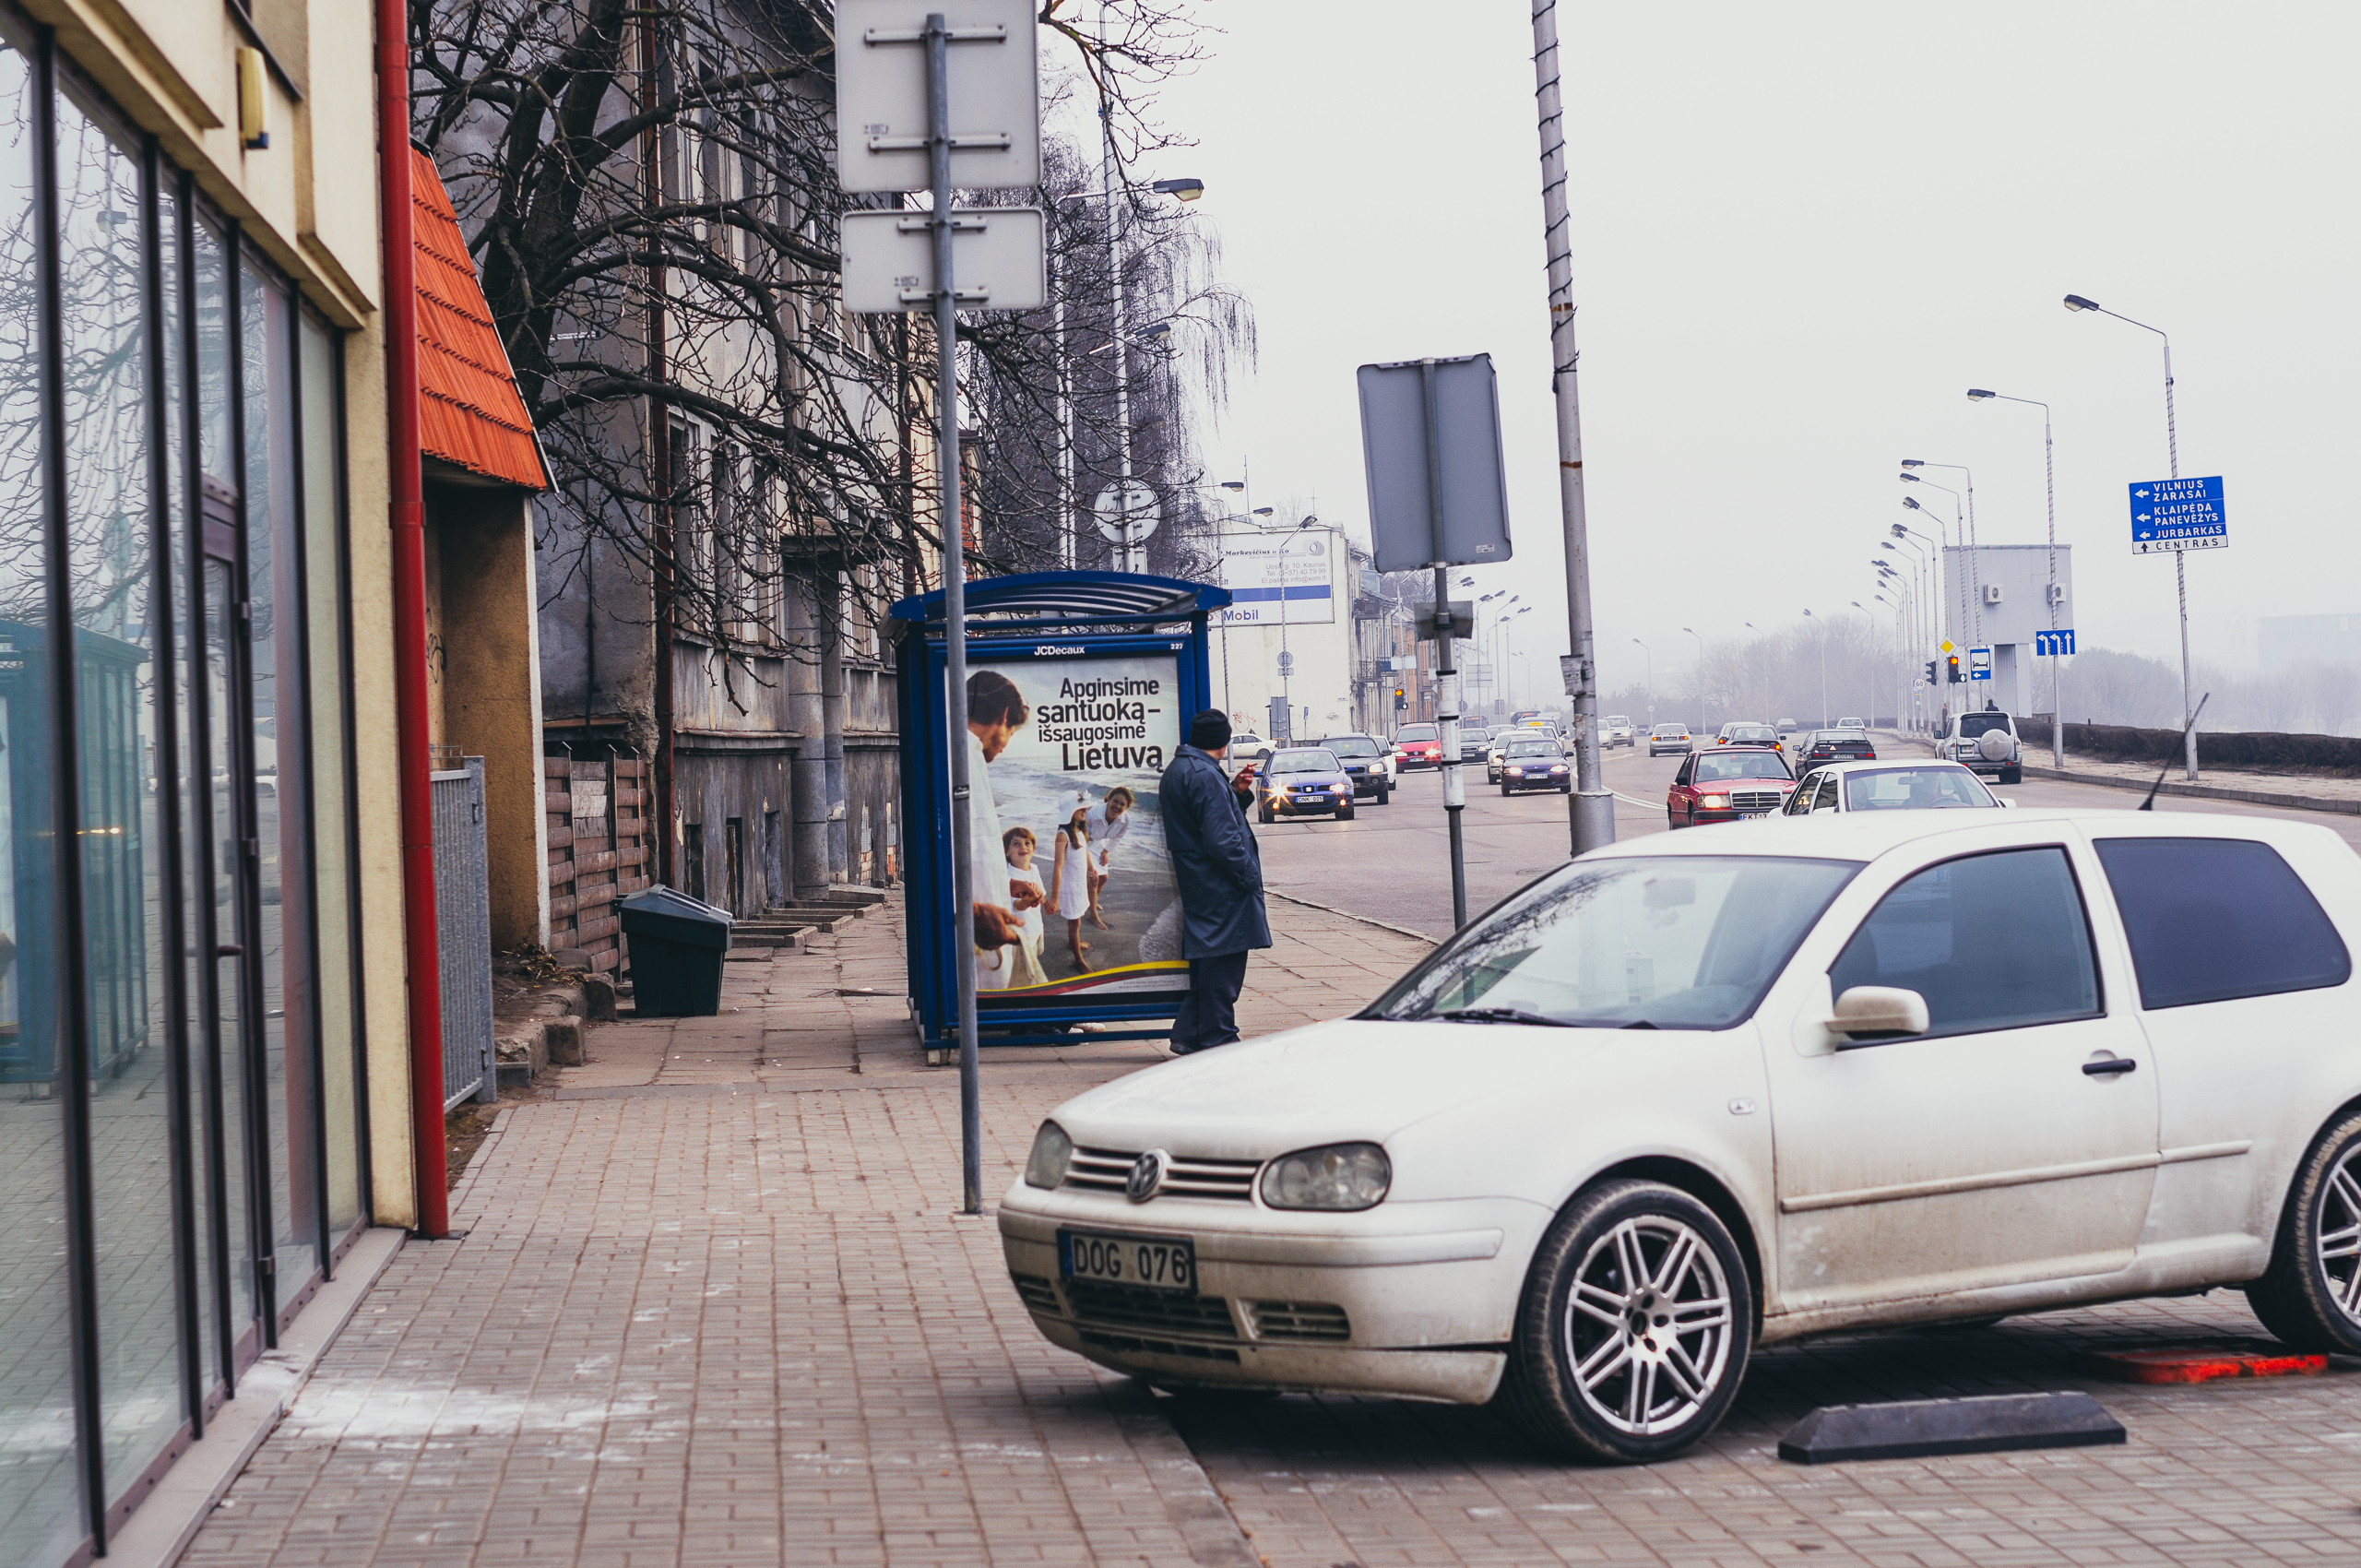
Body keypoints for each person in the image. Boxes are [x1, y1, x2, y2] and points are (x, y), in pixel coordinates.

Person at [1157, 708, 1271, 1054]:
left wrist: (1235, 791)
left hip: (1201, 883)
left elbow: (1205, 819)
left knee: (1211, 966)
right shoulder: (1204, 775)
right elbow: (1222, 840)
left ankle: (1188, 1034)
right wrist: (1249, 878)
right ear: (1223, 741)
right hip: (1221, 887)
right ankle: (1219, 1039)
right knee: (1224, 967)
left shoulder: (1183, 769)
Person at [967, 671, 1043, 988]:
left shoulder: (968, 755)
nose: (1007, 745)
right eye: (1011, 732)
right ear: (1004, 716)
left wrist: (1004, 883)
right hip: (974, 947)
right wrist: (974, 912)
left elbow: (972, 849)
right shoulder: (960, 758)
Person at [1002, 826, 1050, 989]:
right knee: (1024, 967)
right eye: (1016, 844)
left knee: (1038, 951)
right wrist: (1027, 902)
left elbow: (1041, 891)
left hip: (1036, 927)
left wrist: (1045, 903)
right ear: (1007, 852)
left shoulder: (1034, 869)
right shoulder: (1008, 877)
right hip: (1022, 934)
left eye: (1027, 843)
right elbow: (1016, 906)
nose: (1023, 847)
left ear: (1033, 849)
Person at [1082, 785, 1134, 931]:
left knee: (1103, 877)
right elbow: (1080, 836)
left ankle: (1090, 901)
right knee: (1093, 877)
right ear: (1108, 800)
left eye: (1122, 804)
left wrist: (1106, 851)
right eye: (1115, 801)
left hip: (1098, 844)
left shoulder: (1125, 819)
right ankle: (1093, 915)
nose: (1117, 806)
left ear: (1126, 807)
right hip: (1081, 842)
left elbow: (1118, 837)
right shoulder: (1092, 812)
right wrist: (1089, 865)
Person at [1050, 807, 1094, 970]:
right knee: (1074, 922)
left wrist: (1091, 868)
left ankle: (1072, 942)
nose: (1085, 810)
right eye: (1079, 808)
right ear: (1069, 811)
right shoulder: (1063, 835)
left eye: (1085, 808)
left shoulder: (1079, 829)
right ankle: (1079, 960)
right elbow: (1058, 867)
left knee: (1077, 918)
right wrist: (1055, 897)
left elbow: (1085, 851)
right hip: (1070, 887)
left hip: (1079, 883)